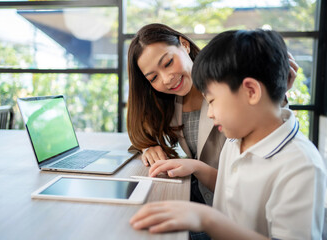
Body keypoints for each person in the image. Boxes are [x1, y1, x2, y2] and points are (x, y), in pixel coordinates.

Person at [129, 29, 326, 239]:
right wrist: (193, 167)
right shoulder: (235, 142)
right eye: (153, 77)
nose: (210, 113)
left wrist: (207, 219)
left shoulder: (301, 165)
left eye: (212, 101)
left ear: (251, 91)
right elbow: (228, 199)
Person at [126, 23, 299, 205]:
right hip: (203, 197)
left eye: (168, 63)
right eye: (153, 78)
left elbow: (270, 131)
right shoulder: (165, 101)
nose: (166, 78)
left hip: (236, 204)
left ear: (184, 44)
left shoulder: (228, 84)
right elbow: (140, 128)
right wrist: (148, 147)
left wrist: (277, 93)